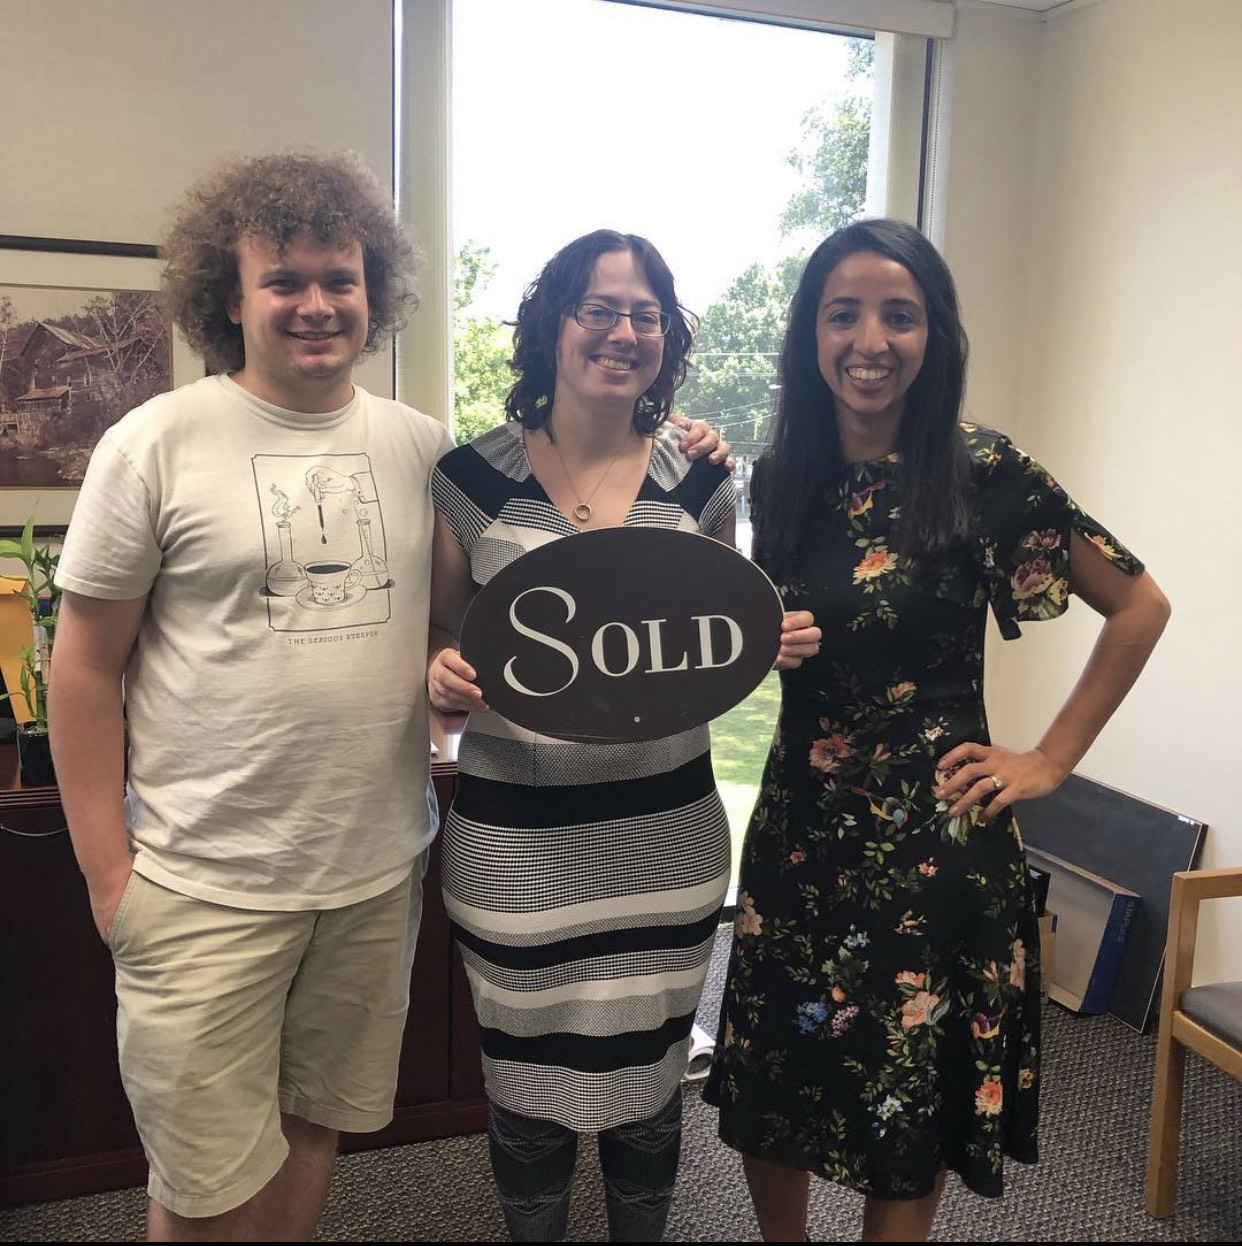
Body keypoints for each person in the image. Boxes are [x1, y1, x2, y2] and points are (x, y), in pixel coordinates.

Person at [47, 154, 728, 1243]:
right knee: (201, 1171)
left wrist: (441, 676)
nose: (317, 304)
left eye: (341, 279)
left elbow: (453, 631)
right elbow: (81, 665)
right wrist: (106, 874)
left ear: (376, 294)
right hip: (202, 877)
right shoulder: (156, 441)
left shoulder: (421, 451)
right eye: (286, 282)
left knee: (317, 1128)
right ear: (232, 297)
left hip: (374, 869)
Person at [702, 218, 1170, 1243]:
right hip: (800, 824)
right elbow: (735, 641)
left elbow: (1139, 608)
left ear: (935, 335)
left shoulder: (985, 472)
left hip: (938, 831)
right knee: (774, 1065)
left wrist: (1050, 758)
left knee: (910, 1083)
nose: (870, 339)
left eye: (898, 316)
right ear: (810, 335)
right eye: (843, 314)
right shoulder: (778, 477)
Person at [427, 229, 819, 1243]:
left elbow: (719, 634)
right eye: (597, 308)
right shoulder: (469, 477)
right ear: (553, 324)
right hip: (516, 844)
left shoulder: (700, 477)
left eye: (646, 313)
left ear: (667, 338)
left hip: (665, 837)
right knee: (524, 1088)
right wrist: (437, 674)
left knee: (649, 1086)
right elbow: (436, 631)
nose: (623, 331)